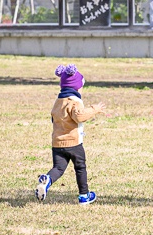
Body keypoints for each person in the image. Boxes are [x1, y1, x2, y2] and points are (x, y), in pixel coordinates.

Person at [35, 64, 105, 204]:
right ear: (76, 87)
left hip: (57, 143)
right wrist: (94, 109)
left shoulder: (58, 102)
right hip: (73, 143)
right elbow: (79, 116)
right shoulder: (74, 101)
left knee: (58, 168)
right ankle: (84, 195)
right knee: (80, 167)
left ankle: (47, 180)